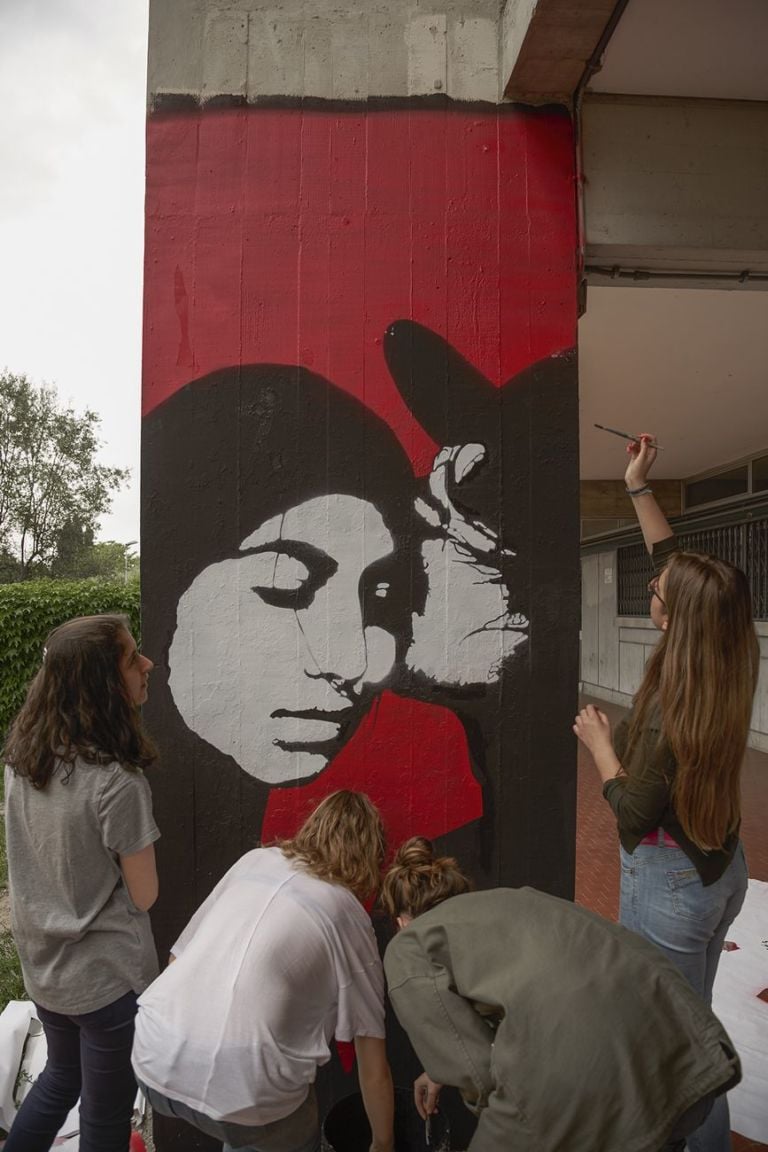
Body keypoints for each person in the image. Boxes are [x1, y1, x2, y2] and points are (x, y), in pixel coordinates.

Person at [573, 433, 759, 1152]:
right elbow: (670, 565)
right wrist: (638, 485)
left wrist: (600, 746)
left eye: (655, 593)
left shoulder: (667, 711)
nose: (651, 587)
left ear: (672, 616)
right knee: (696, 1030)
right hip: (720, 871)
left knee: (679, 1058)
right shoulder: (727, 652)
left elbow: (631, 812)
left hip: (671, 888)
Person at [381, 837, 741, 1152]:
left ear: (401, 920)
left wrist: (460, 1075)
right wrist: (443, 1066)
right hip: (683, 1053)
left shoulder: (408, 945)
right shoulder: (510, 899)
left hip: (595, 1075)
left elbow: (480, 1077)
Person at [131, 790, 395, 1152]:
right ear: (370, 857)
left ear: (313, 828)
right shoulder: (348, 912)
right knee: (270, 1119)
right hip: (250, 1090)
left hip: (153, 1056)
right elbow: (373, 1064)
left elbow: (177, 960)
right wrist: (383, 1143)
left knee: (244, 1113)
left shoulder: (255, 861)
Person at [2, 615, 160, 1152]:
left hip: (46, 971)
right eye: (132, 659)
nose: (147, 666)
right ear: (101, 682)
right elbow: (145, 895)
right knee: (106, 1116)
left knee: (59, 1078)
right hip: (106, 984)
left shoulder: (23, 762)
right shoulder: (117, 781)